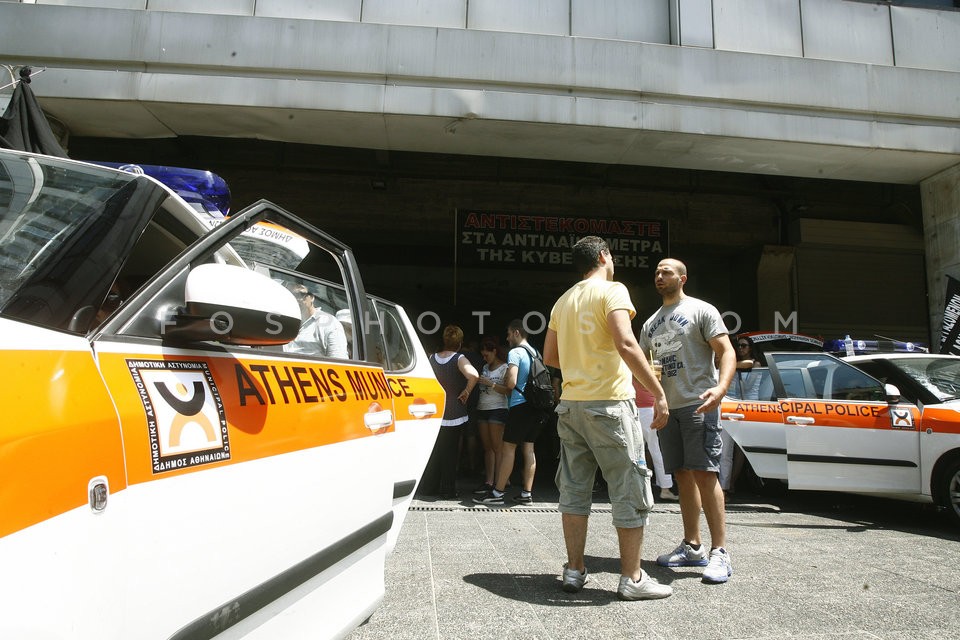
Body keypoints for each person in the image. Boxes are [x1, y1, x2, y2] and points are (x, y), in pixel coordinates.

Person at [543, 235, 672, 601]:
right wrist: (658, 393)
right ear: (603, 256)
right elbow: (626, 342)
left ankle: (573, 570)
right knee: (628, 487)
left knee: (574, 489)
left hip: (572, 405)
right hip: (610, 404)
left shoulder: (563, 300)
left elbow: (550, 355)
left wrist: (581, 362)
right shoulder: (612, 291)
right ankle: (632, 578)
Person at [639, 258, 736, 584]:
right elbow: (643, 366)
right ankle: (693, 545)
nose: (660, 276)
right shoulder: (650, 323)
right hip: (668, 410)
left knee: (705, 473)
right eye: (656, 273)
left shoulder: (701, 310)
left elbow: (727, 352)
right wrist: (653, 396)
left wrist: (720, 389)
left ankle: (720, 552)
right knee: (682, 475)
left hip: (699, 404)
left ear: (683, 277)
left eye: (666, 271)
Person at [473, 320, 547, 506]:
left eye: (508, 334)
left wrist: (503, 380)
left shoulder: (515, 352)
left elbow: (511, 383)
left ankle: (497, 493)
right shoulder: (535, 352)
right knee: (529, 449)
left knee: (508, 448)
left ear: (516, 333)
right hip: (536, 407)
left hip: (520, 405)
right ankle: (526, 493)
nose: (507, 338)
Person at [421, 325, 479, 499]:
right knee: (450, 452)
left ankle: (428, 487)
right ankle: (447, 490)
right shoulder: (459, 358)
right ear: (459, 343)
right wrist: (467, 391)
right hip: (455, 412)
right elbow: (474, 375)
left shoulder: (431, 358)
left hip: (435, 411)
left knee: (434, 451)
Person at [472, 337, 509, 495]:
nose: (484, 358)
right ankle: (489, 481)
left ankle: (500, 482)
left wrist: (491, 383)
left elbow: (508, 389)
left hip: (498, 408)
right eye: (483, 355)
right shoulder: (485, 367)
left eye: (487, 354)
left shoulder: (505, 368)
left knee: (497, 447)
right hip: (483, 407)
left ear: (494, 351)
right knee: (487, 448)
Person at [633, 378, 676, 502]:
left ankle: (637, 490)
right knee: (656, 450)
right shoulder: (654, 363)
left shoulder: (631, 362)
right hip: (650, 408)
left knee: (635, 452)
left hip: (634, 408)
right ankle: (665, 489)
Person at [285, 284, 349, 359]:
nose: (295, 299)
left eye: (299, 295)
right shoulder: (285, 322)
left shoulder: (328, 323)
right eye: (291, 295)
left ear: (311, 298)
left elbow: (339, 361)